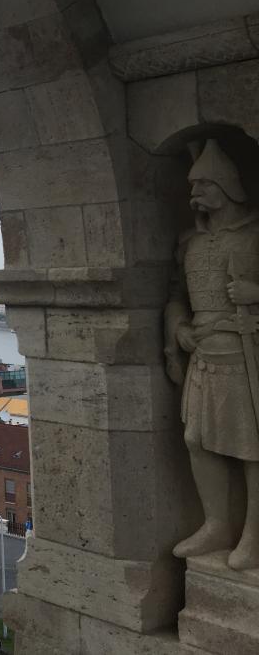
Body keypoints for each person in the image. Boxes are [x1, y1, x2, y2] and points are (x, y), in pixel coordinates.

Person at [166, 139, 259, 569]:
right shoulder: (191, 243)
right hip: (204, 353)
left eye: (202, 186)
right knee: (196, 440)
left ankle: (254, 534)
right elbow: (177, 297)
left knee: (249, 448)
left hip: (245, 354)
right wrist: (180, 329)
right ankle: (218, 523)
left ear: (226, 187)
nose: (194, 196)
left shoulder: (255, 236)